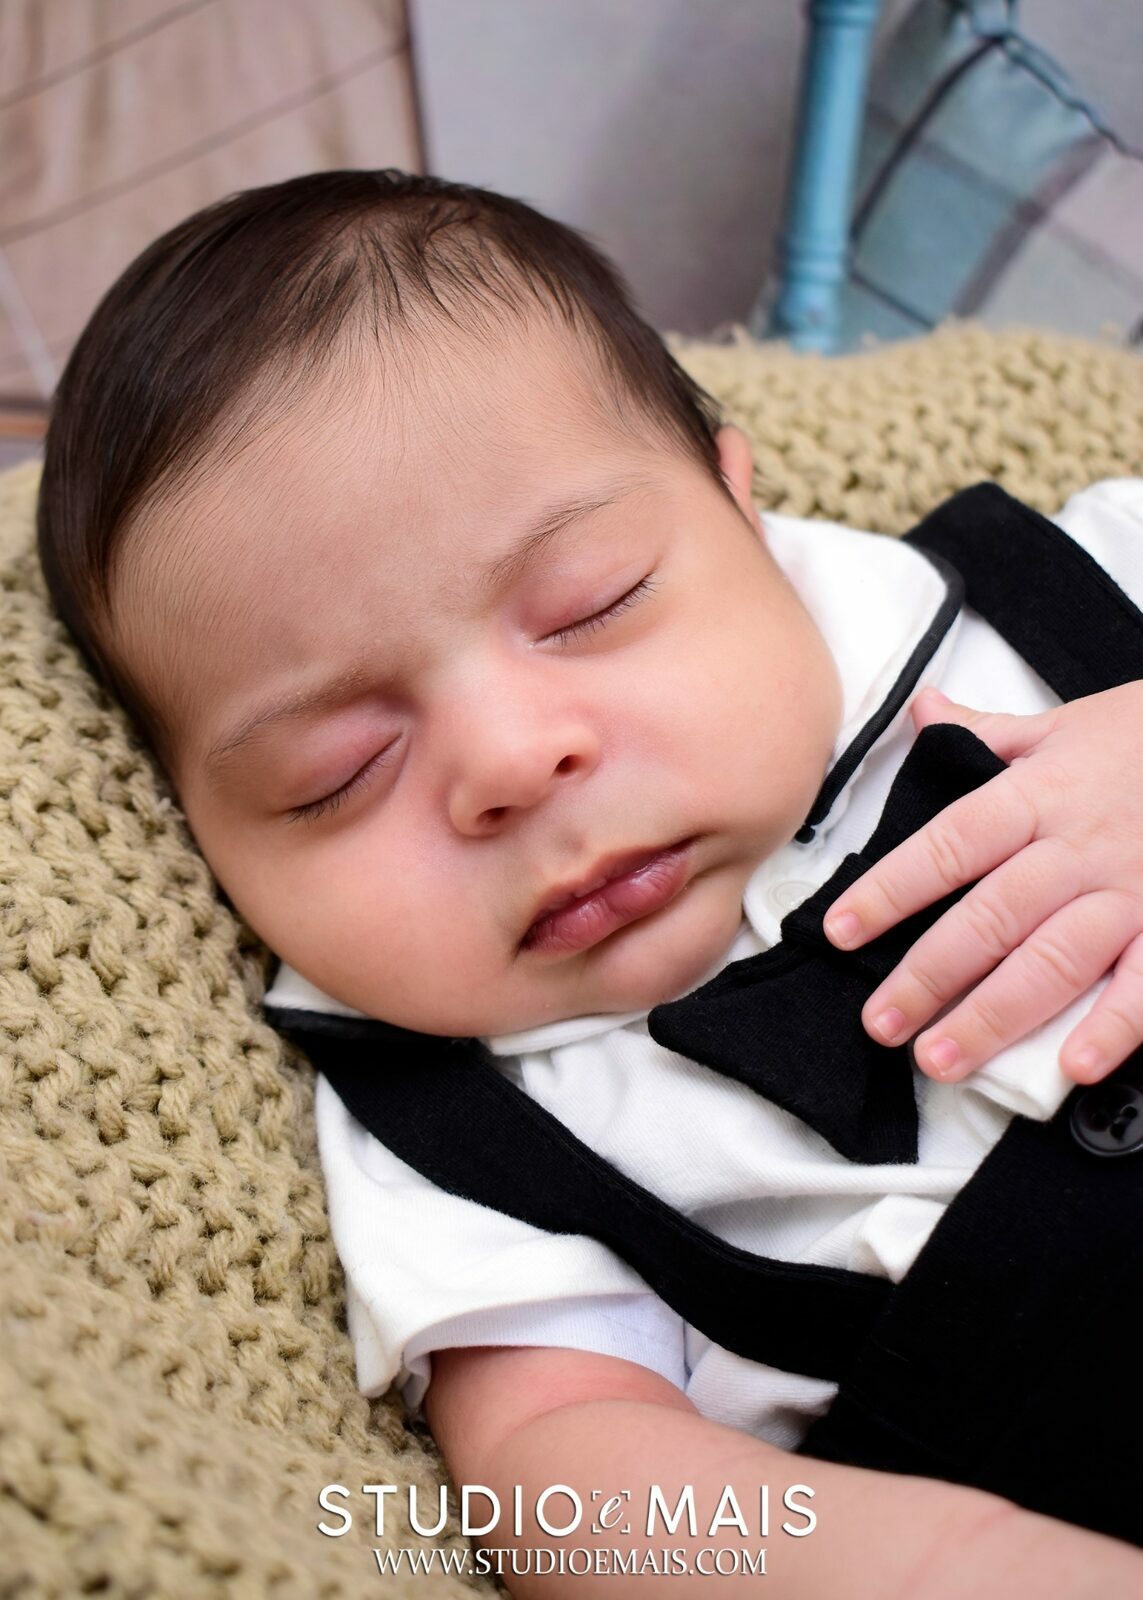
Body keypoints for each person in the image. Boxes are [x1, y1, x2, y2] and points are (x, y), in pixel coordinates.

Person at [35, 169, 1143, 1597]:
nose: (510, 761)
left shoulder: (1066, 595)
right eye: (337, 774)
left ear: (742, 510)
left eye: (591, 605)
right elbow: (561, 1482)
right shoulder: (463, 1129)